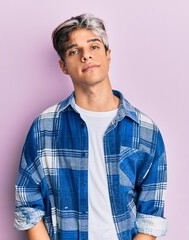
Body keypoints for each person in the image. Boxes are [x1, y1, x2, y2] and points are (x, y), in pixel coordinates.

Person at [14, 13, 168, 240]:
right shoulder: (44, 127)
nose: (86, 55)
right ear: (63, 66)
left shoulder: (145, 130)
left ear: (108, 54)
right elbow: (27, 202)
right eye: (74, 51)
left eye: (94, 47)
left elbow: (151, 215)